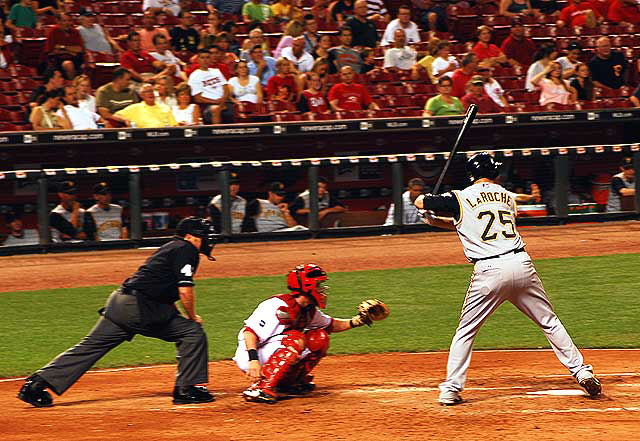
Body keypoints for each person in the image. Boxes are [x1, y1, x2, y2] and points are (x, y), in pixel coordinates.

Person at [413, 152, 602, 405]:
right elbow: (469, 224)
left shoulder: (460, 196)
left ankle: (451, 389)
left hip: (488, 271)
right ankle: (581, 371)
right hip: (521, 264)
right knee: (549, 322)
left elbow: (420, 202)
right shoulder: (506, 197)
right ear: (494, 173)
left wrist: (428, 206)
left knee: (466, 332)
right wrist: (436, 221)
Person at [18, 217, 217, 408]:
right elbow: (184, 290)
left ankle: (35, 385)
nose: (208, 239)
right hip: (140, 308)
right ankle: (187, 389)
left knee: (90, 346)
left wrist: (178, 315)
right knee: (192, 332)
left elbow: (160, 288)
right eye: (204, 235)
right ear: (191, 236)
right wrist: (192, 317)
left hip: (121, 302)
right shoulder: (186, 248)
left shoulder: (171, 247)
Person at [235, 263, 386, 403]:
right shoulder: (277, 306)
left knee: (319, 338)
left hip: (274, 350)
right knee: (296, 338)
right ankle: (260, 388)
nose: (322, 289)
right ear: (308, 286)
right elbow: (250, 333)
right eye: (318, 285)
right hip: (250, 354)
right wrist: (253, 361)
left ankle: (289, 383)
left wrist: (358, 320)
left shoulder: (308, 310)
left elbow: (331, 325)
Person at [188, 49, 230, 124]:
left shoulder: (216, 71)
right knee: (215, 109)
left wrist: (222, 101)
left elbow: (226, 88)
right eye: (202, 58)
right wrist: (215, 102)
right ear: (198, 59)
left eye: (207, 58)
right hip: (208, 105)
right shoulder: (194, 76)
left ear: (210, 59)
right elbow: (198, 98)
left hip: (224, 101)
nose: (205, 60)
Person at [45, 13, 84, 80]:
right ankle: (73, 85)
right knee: (69, 64)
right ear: (58, 21)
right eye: (64, 21)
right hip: (57, 60)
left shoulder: (75, 31)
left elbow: (79, 49)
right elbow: (51, 51)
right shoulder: (53, 31)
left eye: (69, 20)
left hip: (76, 58)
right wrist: (71, 51)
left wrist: (62, 47)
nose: (67, 23)